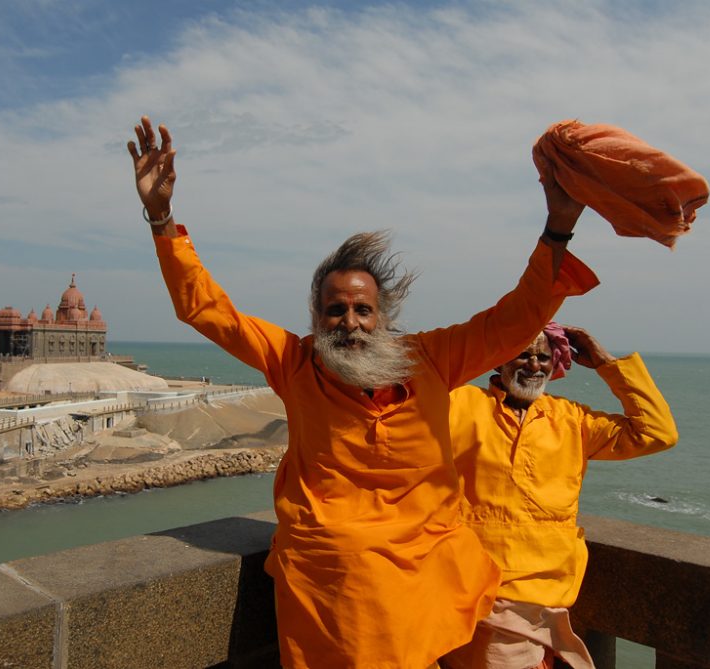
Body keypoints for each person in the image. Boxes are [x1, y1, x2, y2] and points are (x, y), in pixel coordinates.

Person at [127, 116, 599, 668]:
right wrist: (161, 217)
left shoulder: (431, 357)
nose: (349, 322)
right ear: (316, 315)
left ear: (383, 317)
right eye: (335, 309)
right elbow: (207, 309)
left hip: (424, 568)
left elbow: (516, 320)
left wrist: (558, 225)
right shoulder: (293, 361)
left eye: (362, 309)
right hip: (333, 576)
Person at [444, 324, 678, 669]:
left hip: (552, 597)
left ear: (556, 366)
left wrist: (605, 363)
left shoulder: (573, 420)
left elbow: (658, 433)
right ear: (498, 361)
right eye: (523, 354)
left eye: (544, 357)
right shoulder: (459, 405)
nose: (534, 365)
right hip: (479, 593)